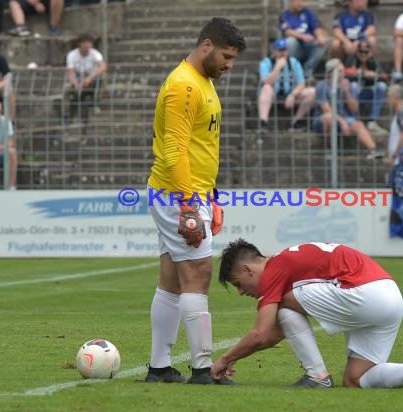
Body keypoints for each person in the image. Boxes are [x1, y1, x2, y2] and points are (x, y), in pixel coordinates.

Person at [145, 17, 245, 385]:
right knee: (198, 277)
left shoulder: (200, 81)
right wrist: (190, 203)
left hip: (185, 192)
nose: (229, 65)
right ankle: (202, 369)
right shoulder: (184, 87)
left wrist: (211, 196)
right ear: (206, 45)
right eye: (226, 56)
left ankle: (159, 368)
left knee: (172, 280)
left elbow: (200, 147)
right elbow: (174, 150)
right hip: (178, 194)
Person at [211, 239, 403, 392]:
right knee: (355, 379)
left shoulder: (275, 270)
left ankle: (317, 377)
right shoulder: (286, 262)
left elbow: (263, 333)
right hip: (390, 296)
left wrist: (225, 359)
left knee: (281, 305)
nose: (242, 292)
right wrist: (235, 357)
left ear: (247, 270)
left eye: (238, 284)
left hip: (364, 294)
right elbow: (273, 334)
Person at [313, 58, 384, 160]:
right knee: (329, 118)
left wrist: (347, 92)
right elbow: (326, 109)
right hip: (323, 120)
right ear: (330, 73)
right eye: (340, 72)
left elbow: (355, 109)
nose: (342, 74)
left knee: (358, 124)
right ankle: (329, 148)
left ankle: (373, 150)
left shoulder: (349, 85)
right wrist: (342, 122)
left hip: (346, 117)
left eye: (343, 71)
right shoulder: (322, 86)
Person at [258, 39, 316, 134]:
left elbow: (301, 83)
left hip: (290, 94)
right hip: (273, 95)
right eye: (280, 50)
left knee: (312, 92)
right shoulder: (266, 62)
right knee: (266, 88)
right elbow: (266, 82)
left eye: (284, 50)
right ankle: (263, 123)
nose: (283, 53)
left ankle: (296, 121)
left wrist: (293, 95)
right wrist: (277, 68)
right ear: (274, 51)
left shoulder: (294, 62)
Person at [345, 38, 388, 134]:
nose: (363, 54)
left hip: (368, 92)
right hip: (355, 92)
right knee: (353, 86)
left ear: (370, 52)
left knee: (381, 86)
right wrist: (360, 73)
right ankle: (354, 118)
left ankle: (373, 121)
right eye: (361, 51)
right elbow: (345, 72)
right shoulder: (352, 59)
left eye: (366, 52)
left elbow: (384, 76)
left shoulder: (373, 61)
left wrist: (375, 75)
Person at [278, 0, 327, 78]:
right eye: (298, 1)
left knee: (321, 45)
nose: (301, 4)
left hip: (309, 46)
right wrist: (302, 36)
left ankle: (306, 72)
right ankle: (293, 70)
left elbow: (316, 27)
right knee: (290, 41)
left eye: (302, 1)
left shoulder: (309, 13)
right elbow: (287, 31)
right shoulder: (284, 16)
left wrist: (320, 36)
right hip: (294, 48)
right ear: (291, 2)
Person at [65, 33, 107, 120]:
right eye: (85, 42)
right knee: (66, 89)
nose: (88, 45)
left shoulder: (95, 54)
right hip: (77, 81)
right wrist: (74, 83)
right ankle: (67, 114)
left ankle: (95, 103)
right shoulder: (72, 55)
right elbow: (70, 72)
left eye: (90, 42)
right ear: (79, 44)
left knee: (102, 78)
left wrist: (90, 78)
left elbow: (102, 66)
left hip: (91, 80)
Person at [332, 0, 376, 67]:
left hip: (361, 41)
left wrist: (359, 40)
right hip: (346, 42)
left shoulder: (368, 14)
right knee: (335, 43)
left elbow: (372, 29)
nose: (363, 2)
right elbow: (336, 31)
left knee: (372, 40)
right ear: (350, 2)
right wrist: (346, 42)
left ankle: (367, 67)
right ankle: (339, 67)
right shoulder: (340, 15)